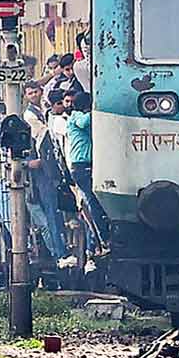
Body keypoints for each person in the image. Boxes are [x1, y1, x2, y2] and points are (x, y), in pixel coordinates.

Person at [66, 92, 109, 251]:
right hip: (81, 166)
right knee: (94, 202)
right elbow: (84, 122)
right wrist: (98, 110)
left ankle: (101, 238)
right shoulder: (76, 116)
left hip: (85, 165)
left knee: (95, 202)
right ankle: (103, 238)